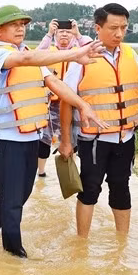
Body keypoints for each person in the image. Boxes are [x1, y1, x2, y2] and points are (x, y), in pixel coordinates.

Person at [0, 5, 107, 258]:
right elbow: (26, 60)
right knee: (14, 200)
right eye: (14, 24)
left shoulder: (27, 52)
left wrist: (83, 105)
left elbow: (54, 82)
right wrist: (72, 54)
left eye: (23, 24)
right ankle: (14, 256)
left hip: (30, 137)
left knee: (21, 194)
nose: (20, 28)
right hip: (5, 141)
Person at [59, 3, 138, 238]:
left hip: (125, 137)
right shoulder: (82, 58)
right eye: (114, 28)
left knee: (121, 188)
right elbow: (66, 100)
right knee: (90, 190)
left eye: (124, 28)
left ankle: (121, 243)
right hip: (93, 140)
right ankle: (81, 243)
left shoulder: (128, 52)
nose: (119, 34)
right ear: (98, 28)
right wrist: (65, 141)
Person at [36, 19, 92, 177]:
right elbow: (34, 55)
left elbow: (92, 46)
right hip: (51, 104)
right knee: (44, 139)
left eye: (68, 32)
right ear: (55, 35)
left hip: (72, 103)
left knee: (73, 140)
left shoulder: (79, 51)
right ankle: (41, 172)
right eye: (61, 32)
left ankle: (70, 173)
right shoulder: (48, 51)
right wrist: (48, 34)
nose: (65, 35)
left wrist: (78, 33)